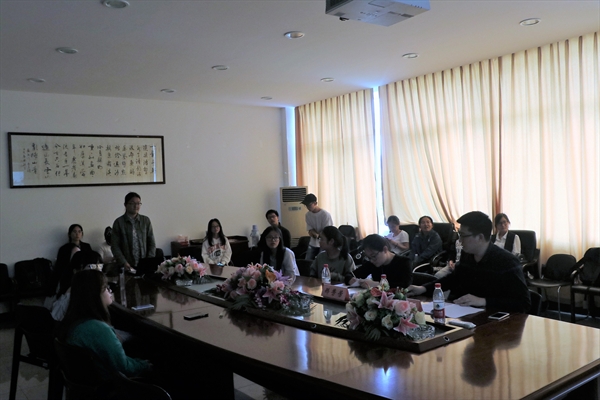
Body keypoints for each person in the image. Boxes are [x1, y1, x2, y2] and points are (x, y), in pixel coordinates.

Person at [406, 211, 531, 313]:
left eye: (463, 235)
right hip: (466, 316)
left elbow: (523, 303)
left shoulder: (507, 262)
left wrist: (483, 301)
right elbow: (454, 279)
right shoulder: (467, 255)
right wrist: (423, 288)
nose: (460, 240)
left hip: (497, 323)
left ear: (480, 237)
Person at [58, 269, 152, 379]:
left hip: (88, 382)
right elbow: (125, 368)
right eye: (106, 288)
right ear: (95, 295)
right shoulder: (98, 329)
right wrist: (146, 364)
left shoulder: (73, 320)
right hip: (110, 384)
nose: (110, 291)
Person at [111, 192, 156, 274]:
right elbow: (115, 246)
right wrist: (123, 262)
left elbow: (151, 243)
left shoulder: (145, 220)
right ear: (125, 205)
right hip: (126, 265)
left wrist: (149, 260)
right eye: (132, 203)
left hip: (144, 263)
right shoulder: (119, 222)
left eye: (138, 203)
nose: (136, 206)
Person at [52, 251, 103, 321]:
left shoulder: (99, 289)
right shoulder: (70, 293)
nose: (98, 272)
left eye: (100, 267)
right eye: (92, 267)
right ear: (76, 271)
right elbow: (56, 317)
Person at [53, 224, 93, 293]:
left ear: (82, 234)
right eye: (74, 231)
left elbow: (91, 260)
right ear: (69, 234)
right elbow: (60, 266)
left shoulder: (87, 246)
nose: (77, 234)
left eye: (79, 231)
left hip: (85, 272)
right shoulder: (64, 249)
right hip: (70, 275)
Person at [301, 193, 333, 260]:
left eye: (309, 205)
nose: (307, 207)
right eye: (306, 205)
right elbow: (310, 229)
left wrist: (317, 235)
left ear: (315, 203)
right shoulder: (308, 215)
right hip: (313, 243)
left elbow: (327, 231)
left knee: (322, 261)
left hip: (324, 243)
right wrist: (315, 234)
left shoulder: (325, 215)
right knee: (308, 261)